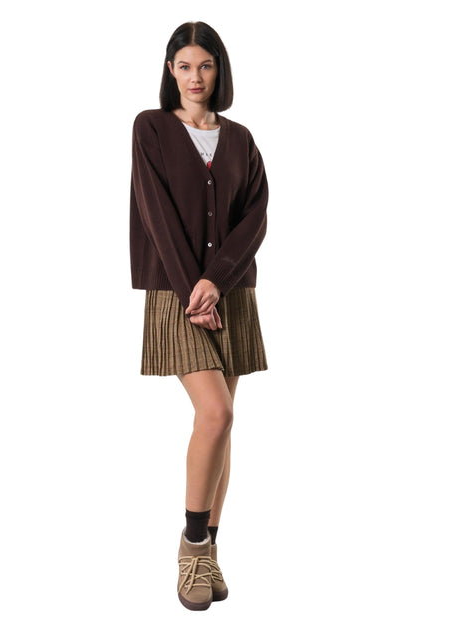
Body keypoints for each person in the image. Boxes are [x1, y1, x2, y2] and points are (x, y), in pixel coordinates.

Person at [130, 21, 269, 611]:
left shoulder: (240, 139)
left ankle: (210, 550)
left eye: (205, 66)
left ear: (219, 70)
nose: (195, 77)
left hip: (230, 295)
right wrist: (195, 288)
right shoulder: (151, 128)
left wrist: (218, 282)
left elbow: (256, 216)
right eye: (184, 66)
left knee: (222, 425)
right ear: (171, 71)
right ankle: (192, 548)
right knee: (217, 412)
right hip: (177, 293)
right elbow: (156, 214)